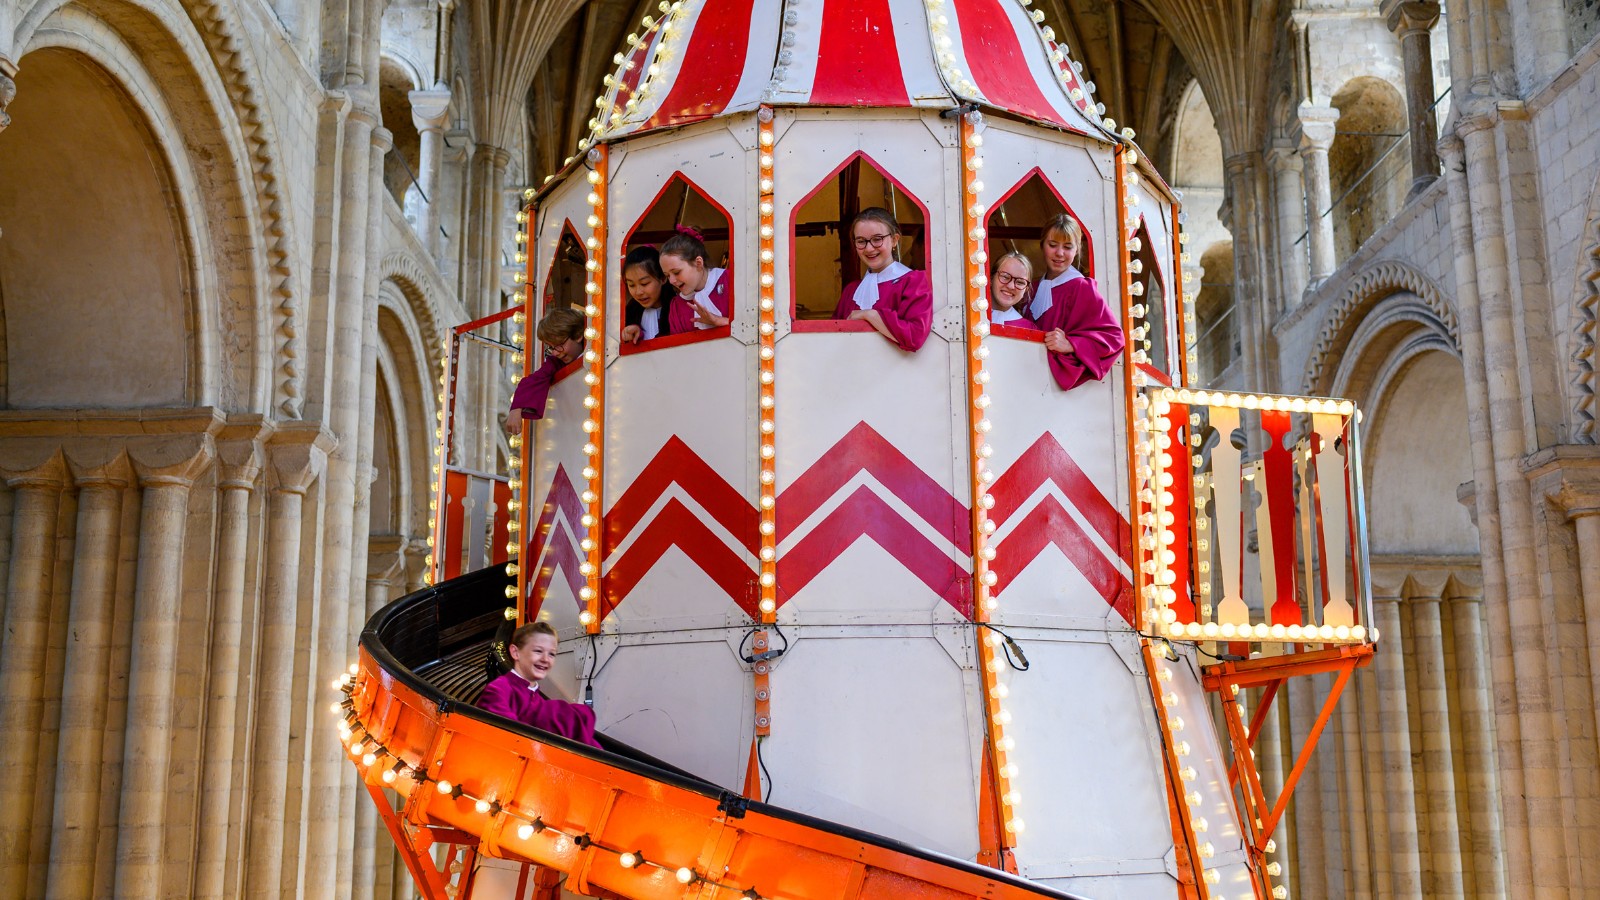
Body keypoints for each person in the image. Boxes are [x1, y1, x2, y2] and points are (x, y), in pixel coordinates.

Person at [1027, 214, 1125, 390]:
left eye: (1068, 247)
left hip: (1054, 389)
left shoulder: (1081, 287)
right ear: (1042, 245)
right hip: (1027, 377)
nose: (1059, 253)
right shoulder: (1031, 288)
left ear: (1077, 250)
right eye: (1052, 245)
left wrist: (1072, 344)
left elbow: (1114, 338)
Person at [478, 621, 601, 748]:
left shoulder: (540, 701)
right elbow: (506, 738)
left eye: (551, 654)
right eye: (538, 651)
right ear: (515, 652)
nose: (545, 659)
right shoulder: (499, 689)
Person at [831, 207, 933, 351]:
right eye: (861, 241)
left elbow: (915, 337)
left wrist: (871, 315)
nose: (869, 248)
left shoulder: (913, 282)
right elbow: (833, 341)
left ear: (894, 240)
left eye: (877, 239)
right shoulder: (851, 290)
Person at [506, 307, 584, 432]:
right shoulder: (556, 363)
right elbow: (536, 379)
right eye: (551, 347)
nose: (555, 353)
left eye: (559, 345)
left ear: (578, 335)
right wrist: (516, 408)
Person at [659, 225, 731, 328]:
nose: (671, 281)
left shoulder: (730, 280)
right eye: (667, 275)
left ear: (698, 263)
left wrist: (720, 321)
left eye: (676, 272)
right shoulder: (677, 306)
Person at [621, 245, 696, 343]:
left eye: (645, 283)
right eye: (631, 285)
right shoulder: (626, 316)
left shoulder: (681, 310)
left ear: (663, 278)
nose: (638, 292)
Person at [988, 251, 1038, 329]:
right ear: (991, 278)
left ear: (1026, 289)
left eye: (1020, 282)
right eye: (1005, 277)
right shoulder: (966, 316)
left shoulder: (1029, 330)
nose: (1011, 286)